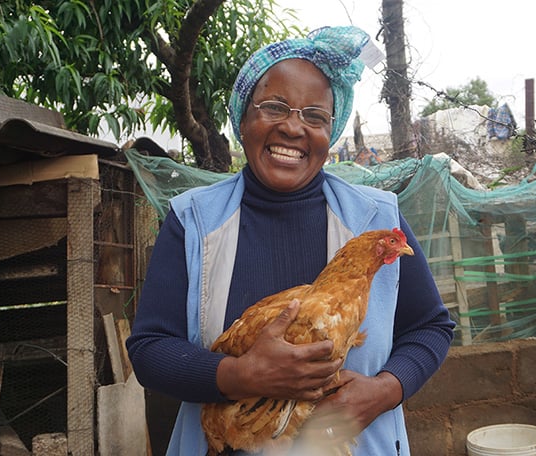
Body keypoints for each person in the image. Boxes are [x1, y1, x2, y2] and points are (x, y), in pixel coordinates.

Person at [126, 25, 455, 455]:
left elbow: (430, 327)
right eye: (274, 107)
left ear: (329, 134)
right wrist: (238, 376)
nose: (293, 128)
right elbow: (150, 349)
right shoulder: (193, 221)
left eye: (314, 116)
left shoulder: (377, 218)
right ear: (243, 119)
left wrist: (386, 390)